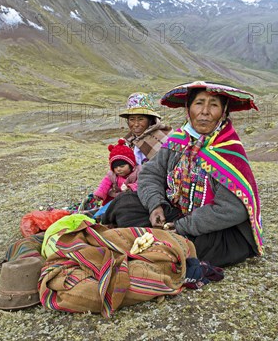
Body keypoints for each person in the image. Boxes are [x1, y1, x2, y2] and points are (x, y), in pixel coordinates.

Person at [109, 81, 264, 267]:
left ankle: (159, 242)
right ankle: (161, 240)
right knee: (124, 203)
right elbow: (151, 174)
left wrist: (184, 226)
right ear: (188, 108)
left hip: (210, 229)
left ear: (223, 112)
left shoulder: (229, 151)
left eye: (213, 105)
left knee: (199, 248)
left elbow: (234, 208)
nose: (205, 111)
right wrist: (155, 205)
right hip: (175, 214)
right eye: (199, 103)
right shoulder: (179, 140)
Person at [119, 92, 173, 165]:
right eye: (132, 119)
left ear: (150, 120)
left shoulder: (164, 138)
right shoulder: (129, 140)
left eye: (141, 119)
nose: (136, 124)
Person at [93, 139, 141, 206]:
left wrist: (131, 188)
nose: (118, 169)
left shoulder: (139, 171)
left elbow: (141, 183)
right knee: (108, 206)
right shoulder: (112, 174)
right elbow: (105, 184)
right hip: (115, 197)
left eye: (122, 166)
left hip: (132, 196)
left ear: (131, 164)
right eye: (115, 167)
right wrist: (99, 194)